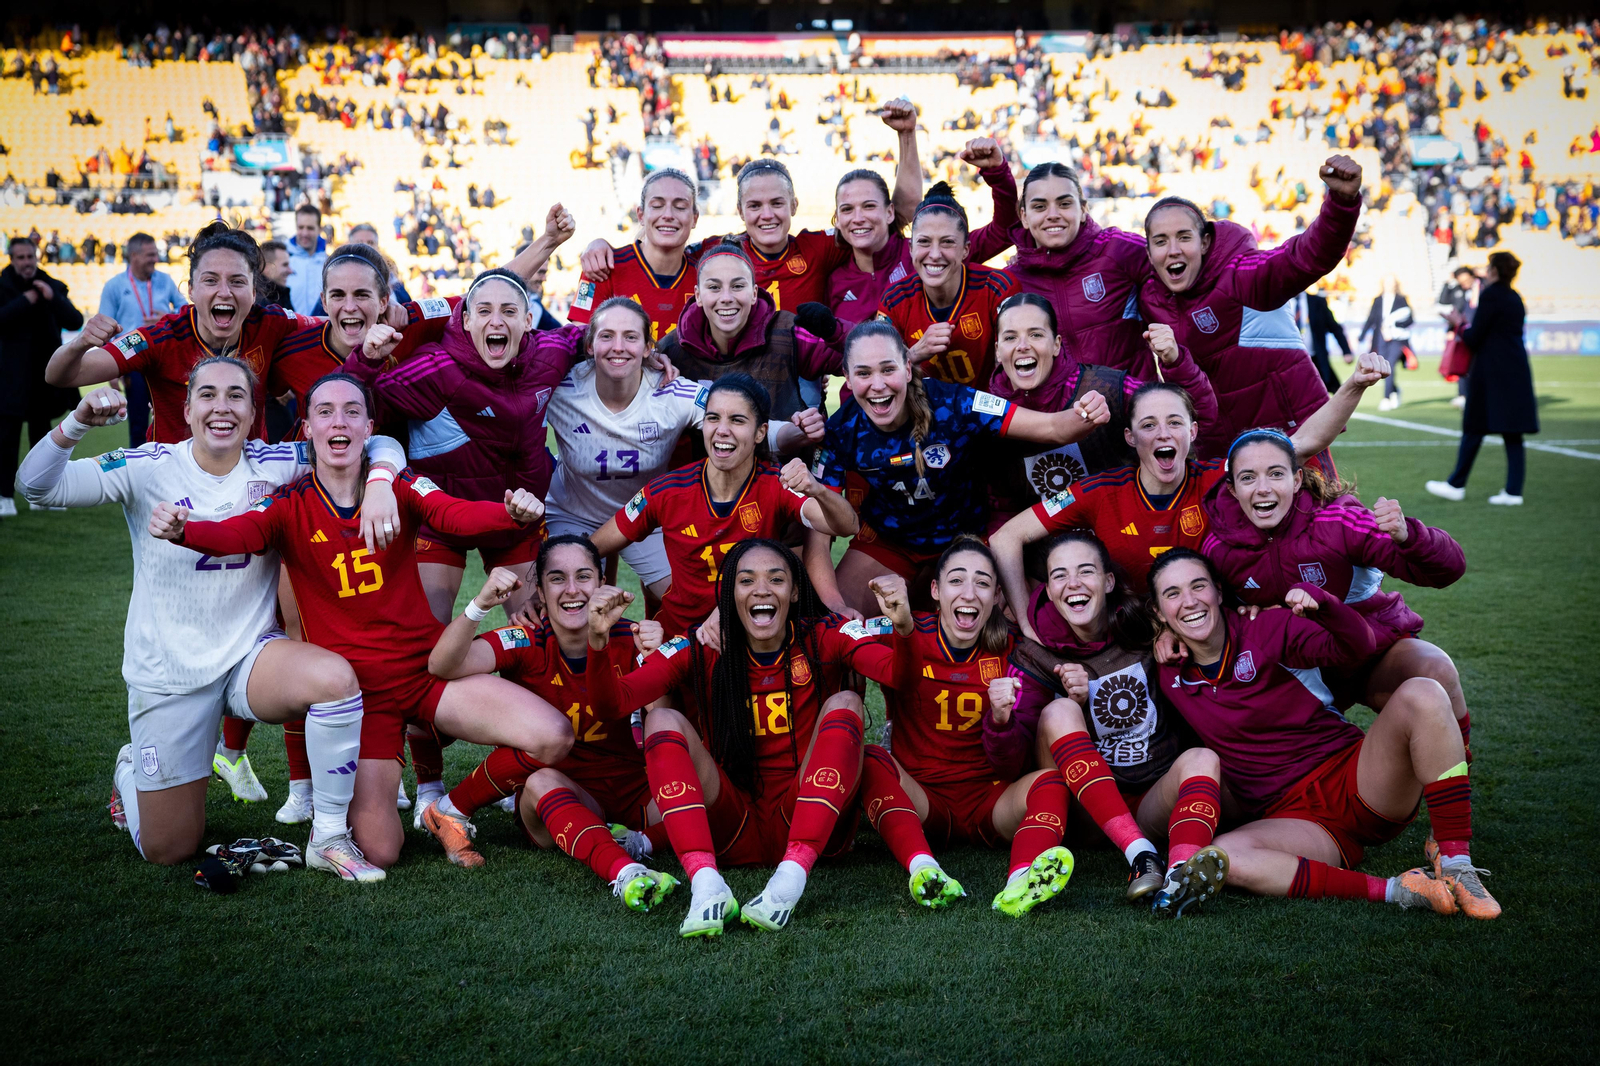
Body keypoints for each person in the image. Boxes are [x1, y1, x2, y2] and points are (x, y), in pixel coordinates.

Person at [148, 372, 575, 870]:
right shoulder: (290, 505)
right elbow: (238, 534)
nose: (339, 421)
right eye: (325, 411)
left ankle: (450, 807)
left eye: (352, 411)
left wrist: (510, 515)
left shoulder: (398, 485)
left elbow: (454, 515)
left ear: (369, 426)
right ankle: (361, 795)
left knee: (553, 735)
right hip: (361, 698)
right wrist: (185, 532)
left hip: (428, 672)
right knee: (380, 850)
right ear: (305, 427)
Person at [15, 360, 407, 879]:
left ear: (252, 413)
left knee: (334, 679)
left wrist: (379, 481)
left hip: (249, 659)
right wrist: (78, 421)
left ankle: (330, 837)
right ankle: (132, 769)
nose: (221, 408)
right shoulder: (147, 465)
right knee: (172, 847)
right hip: (170, 674)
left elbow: (375, 442)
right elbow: (36, 486)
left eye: (236, 397)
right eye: (208, 395)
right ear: (186, 408)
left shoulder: (277, 462)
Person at [1148, 549, 1500, 919]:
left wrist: (1325, 604)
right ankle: (1402, 890)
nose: (1189, 601)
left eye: (1198, 586)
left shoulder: (1265, 627)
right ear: (1158, 612)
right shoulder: (1168, 670)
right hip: (1296, 821)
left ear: (1219, 592)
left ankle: (1458, 863)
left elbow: (1358, 647)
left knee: (1423, 693)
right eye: (1172, 594)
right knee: (1222, 857)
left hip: (1356, 780)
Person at [586, 539, 896, 936]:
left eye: (776, 579)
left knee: (847, 701)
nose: (762, 589)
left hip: (810, 816)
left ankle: (790, 880)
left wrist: (902, 629)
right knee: (662, 719)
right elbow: (615, 704)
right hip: (730, 826)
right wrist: (598, 642)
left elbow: (895, 675)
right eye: (746, 580)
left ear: (796, 590)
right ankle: (707, 885)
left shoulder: (823, 634)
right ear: (729, 594)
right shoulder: (701, 645)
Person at [989, 353, 1389, 620]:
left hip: (1206, 629)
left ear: (1193, 431)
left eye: (1175, 423)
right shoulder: (1099, 490)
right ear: (1130, 438)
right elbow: (1008, 536)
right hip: (1131, 637)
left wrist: (1354, 384)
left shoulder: (1221, 476)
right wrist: (1026, 623)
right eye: (1148, 426)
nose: (1163, 434)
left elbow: (1301, 445)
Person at [427, 541, 680, 911]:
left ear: (603, 582)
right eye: (557, 579)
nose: (572, 589)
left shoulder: (634, 637)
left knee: (696, 785)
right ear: (540, 594)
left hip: (633, 790)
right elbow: (442, 666)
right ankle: (624, 869)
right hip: (559, 794)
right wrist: (479, 605)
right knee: (542, 781)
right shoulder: (527, 638)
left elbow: (665, 723)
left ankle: (640, 841)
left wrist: (656, 658)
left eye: (584, 576)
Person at [989, 531, 1229, 915]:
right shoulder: (1034, 652)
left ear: (1108, 581)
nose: (1074, 584)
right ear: (1048, 590)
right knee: (1059, 712)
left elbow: (1208, 628)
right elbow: (1010, 763)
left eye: (1086, 571)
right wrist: (1006, 719)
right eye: (1060, 576)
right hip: (1084, 810)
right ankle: (1140, 854)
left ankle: (1179, 875)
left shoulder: (1143, 624)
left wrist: (1170, 632)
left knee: (1202, 758)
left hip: (1152, 795)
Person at [814, 321, 1115, 619]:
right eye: (863, 373)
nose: (877, 385)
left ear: (907, 368)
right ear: (848, 379)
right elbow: (817, 532)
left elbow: (1050, 427)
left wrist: (1086, 414)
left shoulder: (955, 401)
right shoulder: (840, 430)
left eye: (888, 369)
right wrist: (836, 605)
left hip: (967, 539)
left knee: (1003, 625)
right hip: (890, 543)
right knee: (836, 626)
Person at [1204, 428, 1472, 754]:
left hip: (1372, 653)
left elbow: (1448, 571)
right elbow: (1205, 612)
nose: (1263, 489)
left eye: (1276, 474)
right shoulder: (1218, 547)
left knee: (1436, 673)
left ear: (1297, 479)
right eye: (1248, 477)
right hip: (1295, 669)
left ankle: (1457, 785)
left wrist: (1408, 536)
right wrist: (1238, 614)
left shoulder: (1337, 521)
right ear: (1232, 489)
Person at [546, 298, 822, 607]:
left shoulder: (671, 390)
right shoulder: (560, 388)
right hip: (572, 513)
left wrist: (799, 431)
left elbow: (743, 422)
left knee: (691, 601)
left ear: (649, 347)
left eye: (631, 337)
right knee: (562, 602)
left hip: (645, 517)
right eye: (606, 336)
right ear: (589, 345)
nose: (618, 346)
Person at [855, 540, 1078, 916]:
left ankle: (1020, 880)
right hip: (923, 797)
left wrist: (1010, 714)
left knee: (1051, 783)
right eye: (957, 580)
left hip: (990, 798)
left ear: (997, 596)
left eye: (983, 583)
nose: (969, 593)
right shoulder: (903, 629)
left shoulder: (1012, 648)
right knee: (872, 759)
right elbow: (837, 635)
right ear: (935, 591)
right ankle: (924, 869)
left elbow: (1011, 763)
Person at [349, 268, 585, 621]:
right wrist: (366, 361)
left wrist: (653, 357)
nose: (496, 321)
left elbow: (595, 338)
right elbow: (354, 403)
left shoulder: (549, 353)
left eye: (508, 311)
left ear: (528, 321)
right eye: (485, 311)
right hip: (442, 519)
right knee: (426, 633)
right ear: (467, 320)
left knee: (542, 632)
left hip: (517, 517)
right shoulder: (435, 368)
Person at [589, 374, 857, 640]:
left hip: (749, 639)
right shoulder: (667, 490)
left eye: (737, 420)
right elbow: (593, 546)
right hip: (681, 640)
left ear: (760, 432)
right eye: (713, 418)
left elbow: (846, 526)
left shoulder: (777, 484)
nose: (722, 430)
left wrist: (817, 489)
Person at [1138, 155, 1364, 464]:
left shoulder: (1240, 273)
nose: (1174, 249)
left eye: (1184, 237)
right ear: (1149, 253)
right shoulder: (1149, 298)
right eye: (1161, 241)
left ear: (1205, 243)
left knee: (1318, 513)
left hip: (1291, 439)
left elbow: (1304, 258)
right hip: (1216, 451)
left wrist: (1341, 202)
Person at [46, 221, 310, 446]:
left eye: (237, 281)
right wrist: (80, 343)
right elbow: (60, 375)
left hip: (244, 485)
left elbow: (329, 327)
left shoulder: (270, 322)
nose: (225, 292)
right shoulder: (161, 338)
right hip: (172, 490)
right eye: (210, 280)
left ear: (254, 293)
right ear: (191, 290)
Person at [985, 292, 1215, 520]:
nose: (1023, 346)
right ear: (997, 350)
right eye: (1010, 337)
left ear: (1056, 345)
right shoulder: (984, 414)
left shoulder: (1109, 388)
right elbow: (999, 508)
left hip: (1128, 534)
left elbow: (1197, 418)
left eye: (1036, 334)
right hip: (1044, 549)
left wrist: (1176, 362)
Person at [830, 130, 1017, 333]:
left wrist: (997, 174)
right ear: (837, 220)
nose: (858, 218)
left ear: (890, 212)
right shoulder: (831, 278)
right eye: (847, 209)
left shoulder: (929, 251)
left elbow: (1003, 230)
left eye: (869, 206)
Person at [652, 243, 842, 423]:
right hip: (701, 458)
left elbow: (861, 358)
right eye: (714, 287)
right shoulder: (673, 348)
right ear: (698, 295)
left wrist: (836, 332)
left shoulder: (789, 333)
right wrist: (649, 361)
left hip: (786, 457)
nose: (726, 298)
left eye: (737, 286)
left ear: (754, 293)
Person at [1002, 162, 1152, 373]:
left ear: (1083, 209)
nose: (1052, 214)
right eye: (1039, 206)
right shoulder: (1010, 282)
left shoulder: (1120, 249)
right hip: (1062, 407)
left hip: (1134, 402)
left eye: (1064, 204)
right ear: (1024, 217)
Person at [876, 182, 1020, 387]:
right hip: (923, 415)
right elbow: (878, 373)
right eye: (924, 242)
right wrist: (915, 353)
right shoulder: (895, 299)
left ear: (966, 250)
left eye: (947, 242)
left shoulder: (997, 288)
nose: (934, 254)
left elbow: (1022, 359)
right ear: (910, 248)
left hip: (992, 414)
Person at [1427, 252, 1536, 506]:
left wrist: (1458, 323)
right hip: (1515, 369)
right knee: (1513, 432)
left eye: (1489, 267)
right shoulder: (1514, 297)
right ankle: (1513, 491)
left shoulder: (1490, 295)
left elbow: (1475, 337)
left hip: (1491, 371)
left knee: (1474, 426)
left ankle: (1456, 484)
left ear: (1495, 270)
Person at [567, 169, 701, 345]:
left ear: (695, 219)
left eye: (680, 207)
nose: (668, 215)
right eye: (657, 205)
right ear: (641, 215)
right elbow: (578, 345)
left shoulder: (705, 276)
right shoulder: (602, 267)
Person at [0, 235, 83, 516]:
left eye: (30, 257)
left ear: (37, 257)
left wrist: (51, 297)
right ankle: (4, 496)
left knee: (42, 440)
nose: (26, 263)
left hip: (44, 377)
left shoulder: (51, 284)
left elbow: (75, 320)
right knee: (7, 438)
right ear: (12, 259)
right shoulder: (3, 286)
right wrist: (26, 300)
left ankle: (40, 496)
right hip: (10, 376)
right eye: (20, 258)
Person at [96, 232, 185, 448]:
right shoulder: (115, 286)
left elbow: (186, 311)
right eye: (150, 255)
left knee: (175, 417)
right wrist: (113, 368)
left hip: (165, 359)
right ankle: (138, 472)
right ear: (134, 255)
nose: (155, 259)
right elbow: (105, 329)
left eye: (156, 254)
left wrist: (167, 317)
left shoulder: (165, 280)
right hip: (133, 361)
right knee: (137, 421)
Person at [1358, 276, 1412, 411]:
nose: (1389, 286)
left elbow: (1410, 319)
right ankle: (1394, 390)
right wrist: (1362, 336)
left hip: (1397, 339)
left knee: (1390, 364)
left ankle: (1386, 398)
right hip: (1381, 338)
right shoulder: (1378, 300)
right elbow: (1371, 319)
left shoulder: (1402, 299)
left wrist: (1393, 325)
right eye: (1387, 283)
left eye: (1392, 283)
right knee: (1382, 368)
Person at [1435, 265, 1479, 410]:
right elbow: (1442, 301)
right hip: (1462, 332)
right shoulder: (1458, 291)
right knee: (1462, 363)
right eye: (1461, 281)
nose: (1464, 283)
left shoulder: (1482, 288)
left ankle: (1475, 395)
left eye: (1467, 279)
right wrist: (1448, 284)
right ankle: (1463, 395)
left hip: (1478, 333)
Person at [1295, 287, 1350, 392]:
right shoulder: (1279, 305)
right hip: (1290, 360)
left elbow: (1334, 328)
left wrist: (1346, 351)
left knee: (1335, 391)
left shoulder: (1317, 302)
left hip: (1316, 358)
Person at [286, 204, 327, 314]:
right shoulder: (283, 260)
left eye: (310, 228)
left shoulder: (328, 263)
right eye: (301, 227)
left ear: (319, 229)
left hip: (320, 328)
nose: (305, 233)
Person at [259, 240, 294, 308]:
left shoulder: (280, 294)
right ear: (267, 267)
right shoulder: (260, 304)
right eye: (285, 265)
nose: (290, 271)